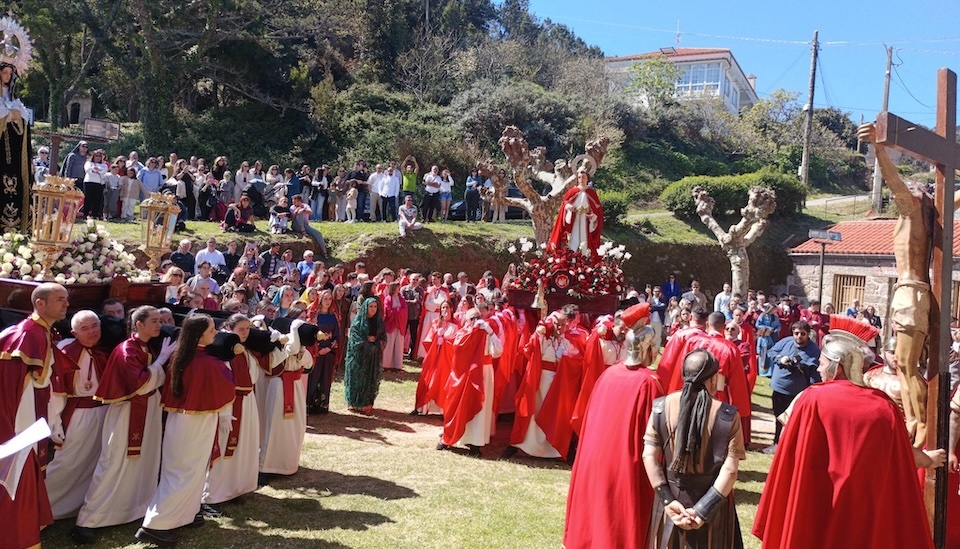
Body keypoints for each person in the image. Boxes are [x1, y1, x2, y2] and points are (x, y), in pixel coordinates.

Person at [753, 324, 945, 549]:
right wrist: (929, 460)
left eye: (823, 364)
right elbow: (902, 455)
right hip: (865, 505)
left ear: (838, 368)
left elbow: (788, 446)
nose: (818, 369)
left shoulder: (811, 399)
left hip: (816, 497)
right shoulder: (884, 407)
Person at [73, 306, 176, 544]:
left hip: (147, 411)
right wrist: (161, 361)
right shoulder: (126, 349)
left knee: (145, 460)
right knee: (113, 463)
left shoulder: (145, 347)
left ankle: (133, 509)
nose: (159, 325)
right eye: (154, 321)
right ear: (138, 324)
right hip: (127, 413)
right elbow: (139, 384)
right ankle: (88, 520)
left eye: (160, 321)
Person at [564, 304, 663, 549]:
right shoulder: (649, 383)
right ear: (648, 348)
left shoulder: (608, 375)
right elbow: (655, 435)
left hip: (595, 461)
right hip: (624, 465)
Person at [136, 315, 235, 547]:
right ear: (199, 333)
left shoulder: (181, 356)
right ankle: (155, 525)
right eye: (212, 328)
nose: (216, 331)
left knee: (184, 470)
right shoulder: (209, 364)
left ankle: (185, 514)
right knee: (185, 472)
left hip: (179, 421)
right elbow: (227, 389)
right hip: (197, 424)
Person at [643, 349, 745, 548]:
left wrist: (667, 500)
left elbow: (649, 455)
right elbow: (730, 470)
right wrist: (703, 510)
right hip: (715, 509)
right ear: (714, 379)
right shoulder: (728, 415)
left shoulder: (660, 407)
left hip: (670, 504)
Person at [0, 283, 72, 548]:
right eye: (60, 299)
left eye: (67, 299)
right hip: (19, 426)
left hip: (18, 420)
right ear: (40, 304)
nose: (66, 304)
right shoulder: (33, 335)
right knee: (15, 486)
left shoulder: (32, 331)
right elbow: (36, 385)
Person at [46, 311, 108, 519]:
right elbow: (56, 392)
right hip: (78, 416)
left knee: (93, 460)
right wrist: (55, 423)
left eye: (95, 326)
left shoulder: (102, 351)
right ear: (74, 332)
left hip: (102, 412)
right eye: (85, 328)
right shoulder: (66, 351)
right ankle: (46, 508)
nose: (92, 332)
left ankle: (78, 504)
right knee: (67, 462)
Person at [437, 307, 503, 457]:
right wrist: (472, 334)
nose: (475, 321)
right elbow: (458, 348)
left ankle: (475, 443)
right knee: (460, 406)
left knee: (480, 408)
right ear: (467, 321)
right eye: (472, 319)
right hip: (465, 375)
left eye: (477, 318)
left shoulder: (487, 332)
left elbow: (498, 351)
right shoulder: (463, 333)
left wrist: (490, 333)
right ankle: (454, 437)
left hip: (484, 373)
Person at [259, 315, 317, 476]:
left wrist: (301, 350)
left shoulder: (301, 348)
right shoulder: (275, 345)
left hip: (296, 386)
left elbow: (309, 364)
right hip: (278, 385)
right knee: (275, 424)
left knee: (295, 425)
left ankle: (289, 463)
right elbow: (273, 362)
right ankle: (268, 465)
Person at [764, 321, 820, 452]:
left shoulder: (813, 349)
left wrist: (798, 364)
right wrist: (781, 359)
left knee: (795, 420)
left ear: (808, 334)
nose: (799, 336)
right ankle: (777, 443)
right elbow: (772, 352)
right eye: (796, 333)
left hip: (797, 391)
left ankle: (792, 446)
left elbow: (812, 367)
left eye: (802, 334)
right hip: (779, 387)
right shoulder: (786, 342)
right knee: (779, 417)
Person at [414, 299, 458, 415]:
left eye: (447, 307)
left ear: (452, 309)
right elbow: (429, 340)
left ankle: (444, 409)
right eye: (443, 308)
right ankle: (424, 408)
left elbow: (457, 342)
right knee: (430, 379)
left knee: (443, 381)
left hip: (447, 359)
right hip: (435, 357)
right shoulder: (435, 323)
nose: (445, 310)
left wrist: (445, 343)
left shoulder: (456, 324)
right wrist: (437, 339)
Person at [548, 166, 603, 256]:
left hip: (586, 220)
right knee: (573, 239)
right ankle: (572, 258)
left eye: (583, 177)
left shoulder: (592, 193)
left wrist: (592, 215)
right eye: (579, 177)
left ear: (587, 179)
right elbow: (564, 205)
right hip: (574, 220)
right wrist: (570, 207)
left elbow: (597, 210)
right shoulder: (572, 191)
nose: (581, 179)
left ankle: (584, 260)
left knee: (585, 241)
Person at [344, 297, 386, 414]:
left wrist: (375, 343)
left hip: (373, 357)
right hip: (359, 356)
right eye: (370, 306)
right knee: (357, 378)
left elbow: (383, 338)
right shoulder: (358, 322)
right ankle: (354, 402)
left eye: (375, 307)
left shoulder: (379, 322)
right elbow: (354, 338)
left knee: (370, 379)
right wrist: (366, 342)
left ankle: (367, 402)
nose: (373, 309)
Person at [306, 291, 340, 414]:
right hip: (316, 352)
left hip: (329, 352)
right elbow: (310, 333)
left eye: (330, 299)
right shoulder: (314, 316)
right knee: (314, 377)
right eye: (325, 298)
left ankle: (322, 405)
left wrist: (330, 348)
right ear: (320, 300)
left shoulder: (333, 316)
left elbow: (337, 335)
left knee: (325, 378)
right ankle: (310, 405)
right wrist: (318, 349)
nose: (328, 301)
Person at [382, 282, 408, 370]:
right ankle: (386, 364)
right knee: (389, 344)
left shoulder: (402, 299)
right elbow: (387, 311)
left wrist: (396, 312)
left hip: (399, 324)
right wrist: (398, 311)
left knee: (399, 344)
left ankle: (397, 365)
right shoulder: (388, 299)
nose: (399, 288)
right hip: (391, 324)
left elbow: (405, 311)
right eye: (397, 287)